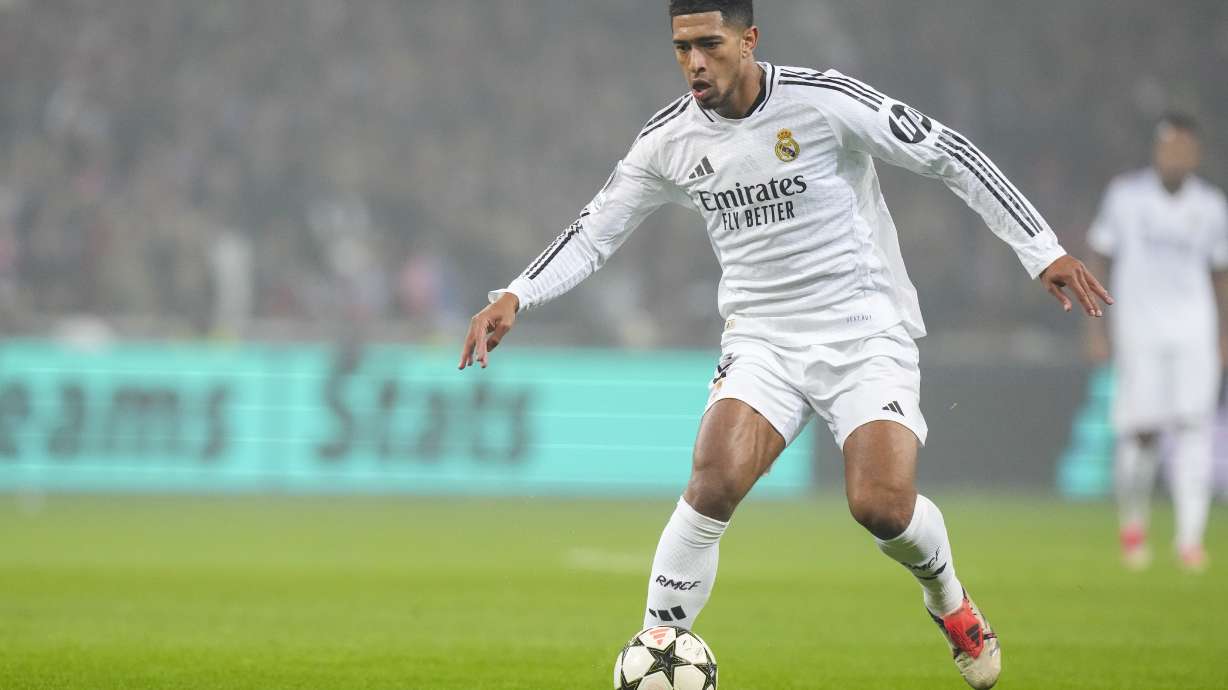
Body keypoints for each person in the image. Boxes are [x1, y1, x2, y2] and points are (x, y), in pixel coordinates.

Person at [459, 2, 1111, 687]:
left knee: (881, 507)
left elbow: (948, 153)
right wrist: (516, 293)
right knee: (712, 479)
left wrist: (1042, 249)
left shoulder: (824, 101)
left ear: (749, 39)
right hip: (762, 336)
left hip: (863, 328)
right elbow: (595, 231)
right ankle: (659, 648)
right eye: (682, 49)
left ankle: (950, 601)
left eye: (709, 44)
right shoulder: (669, 140)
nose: (694, 63)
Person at [1086, 113, 1228, 573]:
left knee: (1193, 430)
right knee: (1141, 433)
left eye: (1184, 149)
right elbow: (1100, 256)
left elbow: (1220, 274)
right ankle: (1133, 526)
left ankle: (1190, 540)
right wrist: (1096, 327)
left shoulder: (1211, 206)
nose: (1176, 157)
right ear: (1156, 150)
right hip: (1140, 329)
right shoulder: (1126, 198)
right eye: (1168, 148)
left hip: (1195, 331)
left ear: (1195, 153)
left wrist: (1224, 334)